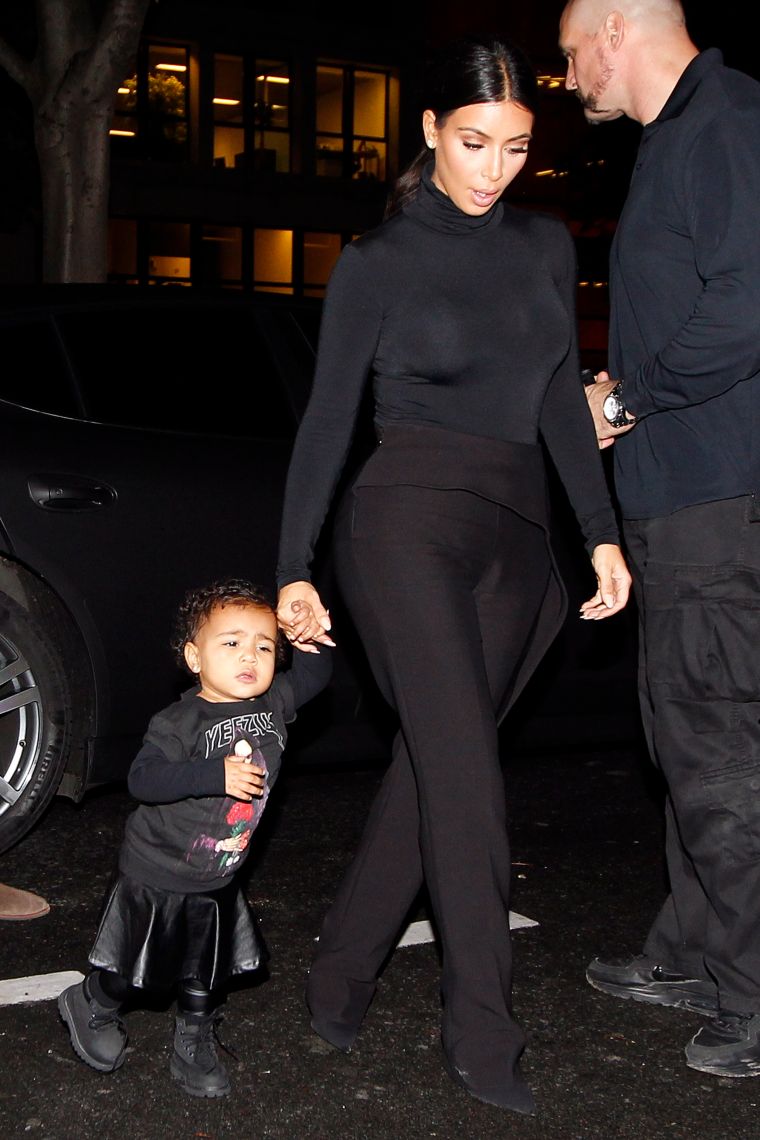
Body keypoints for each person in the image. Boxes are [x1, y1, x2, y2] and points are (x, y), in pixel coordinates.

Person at [274, 32, 631, 1116]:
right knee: (469, 781)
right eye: (474, 143)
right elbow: (328, 421)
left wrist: (600, 532)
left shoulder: (539, 244)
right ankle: (483, 1032)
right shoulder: (379, 263)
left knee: (434, 769)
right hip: (404, 526)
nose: (494, 169)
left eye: (516, 149)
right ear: (430, 130)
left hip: (518, 543)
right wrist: (290, 564)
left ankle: (336, 978)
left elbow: (553, 395)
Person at [559, 0, 760, 1079]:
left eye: (566, 51)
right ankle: (692, 951)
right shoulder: (680, 138)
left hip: (714, 503)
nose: (567, 74)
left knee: (718, 753)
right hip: (685, 500)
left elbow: (749, 301)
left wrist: (628, 397)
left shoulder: (724, 122)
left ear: (614, 26)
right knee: (684, 742)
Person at [58, 577, 331, 1098]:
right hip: (156, 874)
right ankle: (95, 1001)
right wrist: (212, 773)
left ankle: (194, 1035)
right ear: (194, 656)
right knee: (134, 971)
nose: (249, 655)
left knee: (205, 973)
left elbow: (319, 671)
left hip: (219, 875)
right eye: (231, 643)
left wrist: (303, 626)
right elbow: (143, 778)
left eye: (265, 645)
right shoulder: (180, 720)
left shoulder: (274, 703)